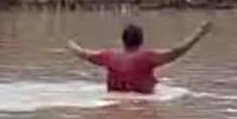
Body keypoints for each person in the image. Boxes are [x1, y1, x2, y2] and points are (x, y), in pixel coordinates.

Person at [67, 21, 213, 95]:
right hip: (143, 100)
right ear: (141, 40)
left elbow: (84, 54)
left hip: (114, 99)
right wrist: (198, 34)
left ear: (122, 40)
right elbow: (176, 52)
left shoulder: (108, 56)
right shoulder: (148, 57)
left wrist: (71, 45)